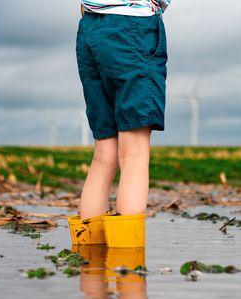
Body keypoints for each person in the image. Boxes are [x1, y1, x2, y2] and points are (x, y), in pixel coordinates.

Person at [68, 1, 170, 248]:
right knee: (134, 152)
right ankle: (127, 267)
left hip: (90, 29)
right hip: (132, 27)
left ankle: (89, 267)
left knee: (105, 153)